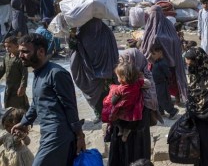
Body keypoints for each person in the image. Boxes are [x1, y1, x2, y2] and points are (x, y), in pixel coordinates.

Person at [13, 33, 86, 165]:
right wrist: (24, 122)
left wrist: (80, 135)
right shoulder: (38, 73)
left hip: (58, 134)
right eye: (20, 52)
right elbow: (36, 103)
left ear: (41, 51)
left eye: (25, 51)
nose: (20, 56)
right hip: (48, 132)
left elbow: (70, 106)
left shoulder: (56, 73)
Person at [108, 49, 159, 164]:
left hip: (137, 130)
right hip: (125, 129)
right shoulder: (126, 81)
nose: (122, 63)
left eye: (124, 61)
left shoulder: (144, 82)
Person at [70, 18, 119, 122]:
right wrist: (72, 34)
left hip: (104, 71)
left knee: (108, 93)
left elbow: (113, 50)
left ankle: (109, 113)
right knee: (99, 95)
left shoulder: (104, 32)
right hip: (91, 70)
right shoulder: (84, 33)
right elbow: (73, 46)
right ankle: (100, 114)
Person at [140, 5, 188, 102]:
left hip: (168, 60)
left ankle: (176, 98)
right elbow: (145, 44)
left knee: (171, 80)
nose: (154, 16)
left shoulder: (168, 24)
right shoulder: (151, 26)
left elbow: (175, 40)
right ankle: (164, 101)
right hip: (158, 61)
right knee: (160, 83)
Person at [102, 62, 148, 142]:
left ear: (123, 78)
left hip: (123, 110)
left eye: (118, 76)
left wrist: (112, 93)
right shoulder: (137, 84)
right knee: (130, 123)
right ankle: (126, 133)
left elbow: (113, 102)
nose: (117, 78)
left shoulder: (119, 89)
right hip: (133, 109)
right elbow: (147, 83)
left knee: (116, 119)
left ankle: (120, 130)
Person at [149, 43, 179, 119]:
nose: (152, 55)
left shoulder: (162, 63)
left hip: (161, 84)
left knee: (163, 99)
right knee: (158, 98)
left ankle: (173, 111)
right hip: (157, 84)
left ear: (160, 52)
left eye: (154, 53)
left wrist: (164, 79)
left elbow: (168, 74)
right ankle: (161, 112)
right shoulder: (157, 62)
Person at [0, 36, 29, 110]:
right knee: (8, 104)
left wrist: (22, 87)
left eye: (9, 46)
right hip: (9, 86)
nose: (7, 48)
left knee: (19, 105)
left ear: (17, 46)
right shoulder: (6, 57)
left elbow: (24, 74)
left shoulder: (20, 58)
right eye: (5, 46)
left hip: (17, 87)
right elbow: (2, 69)